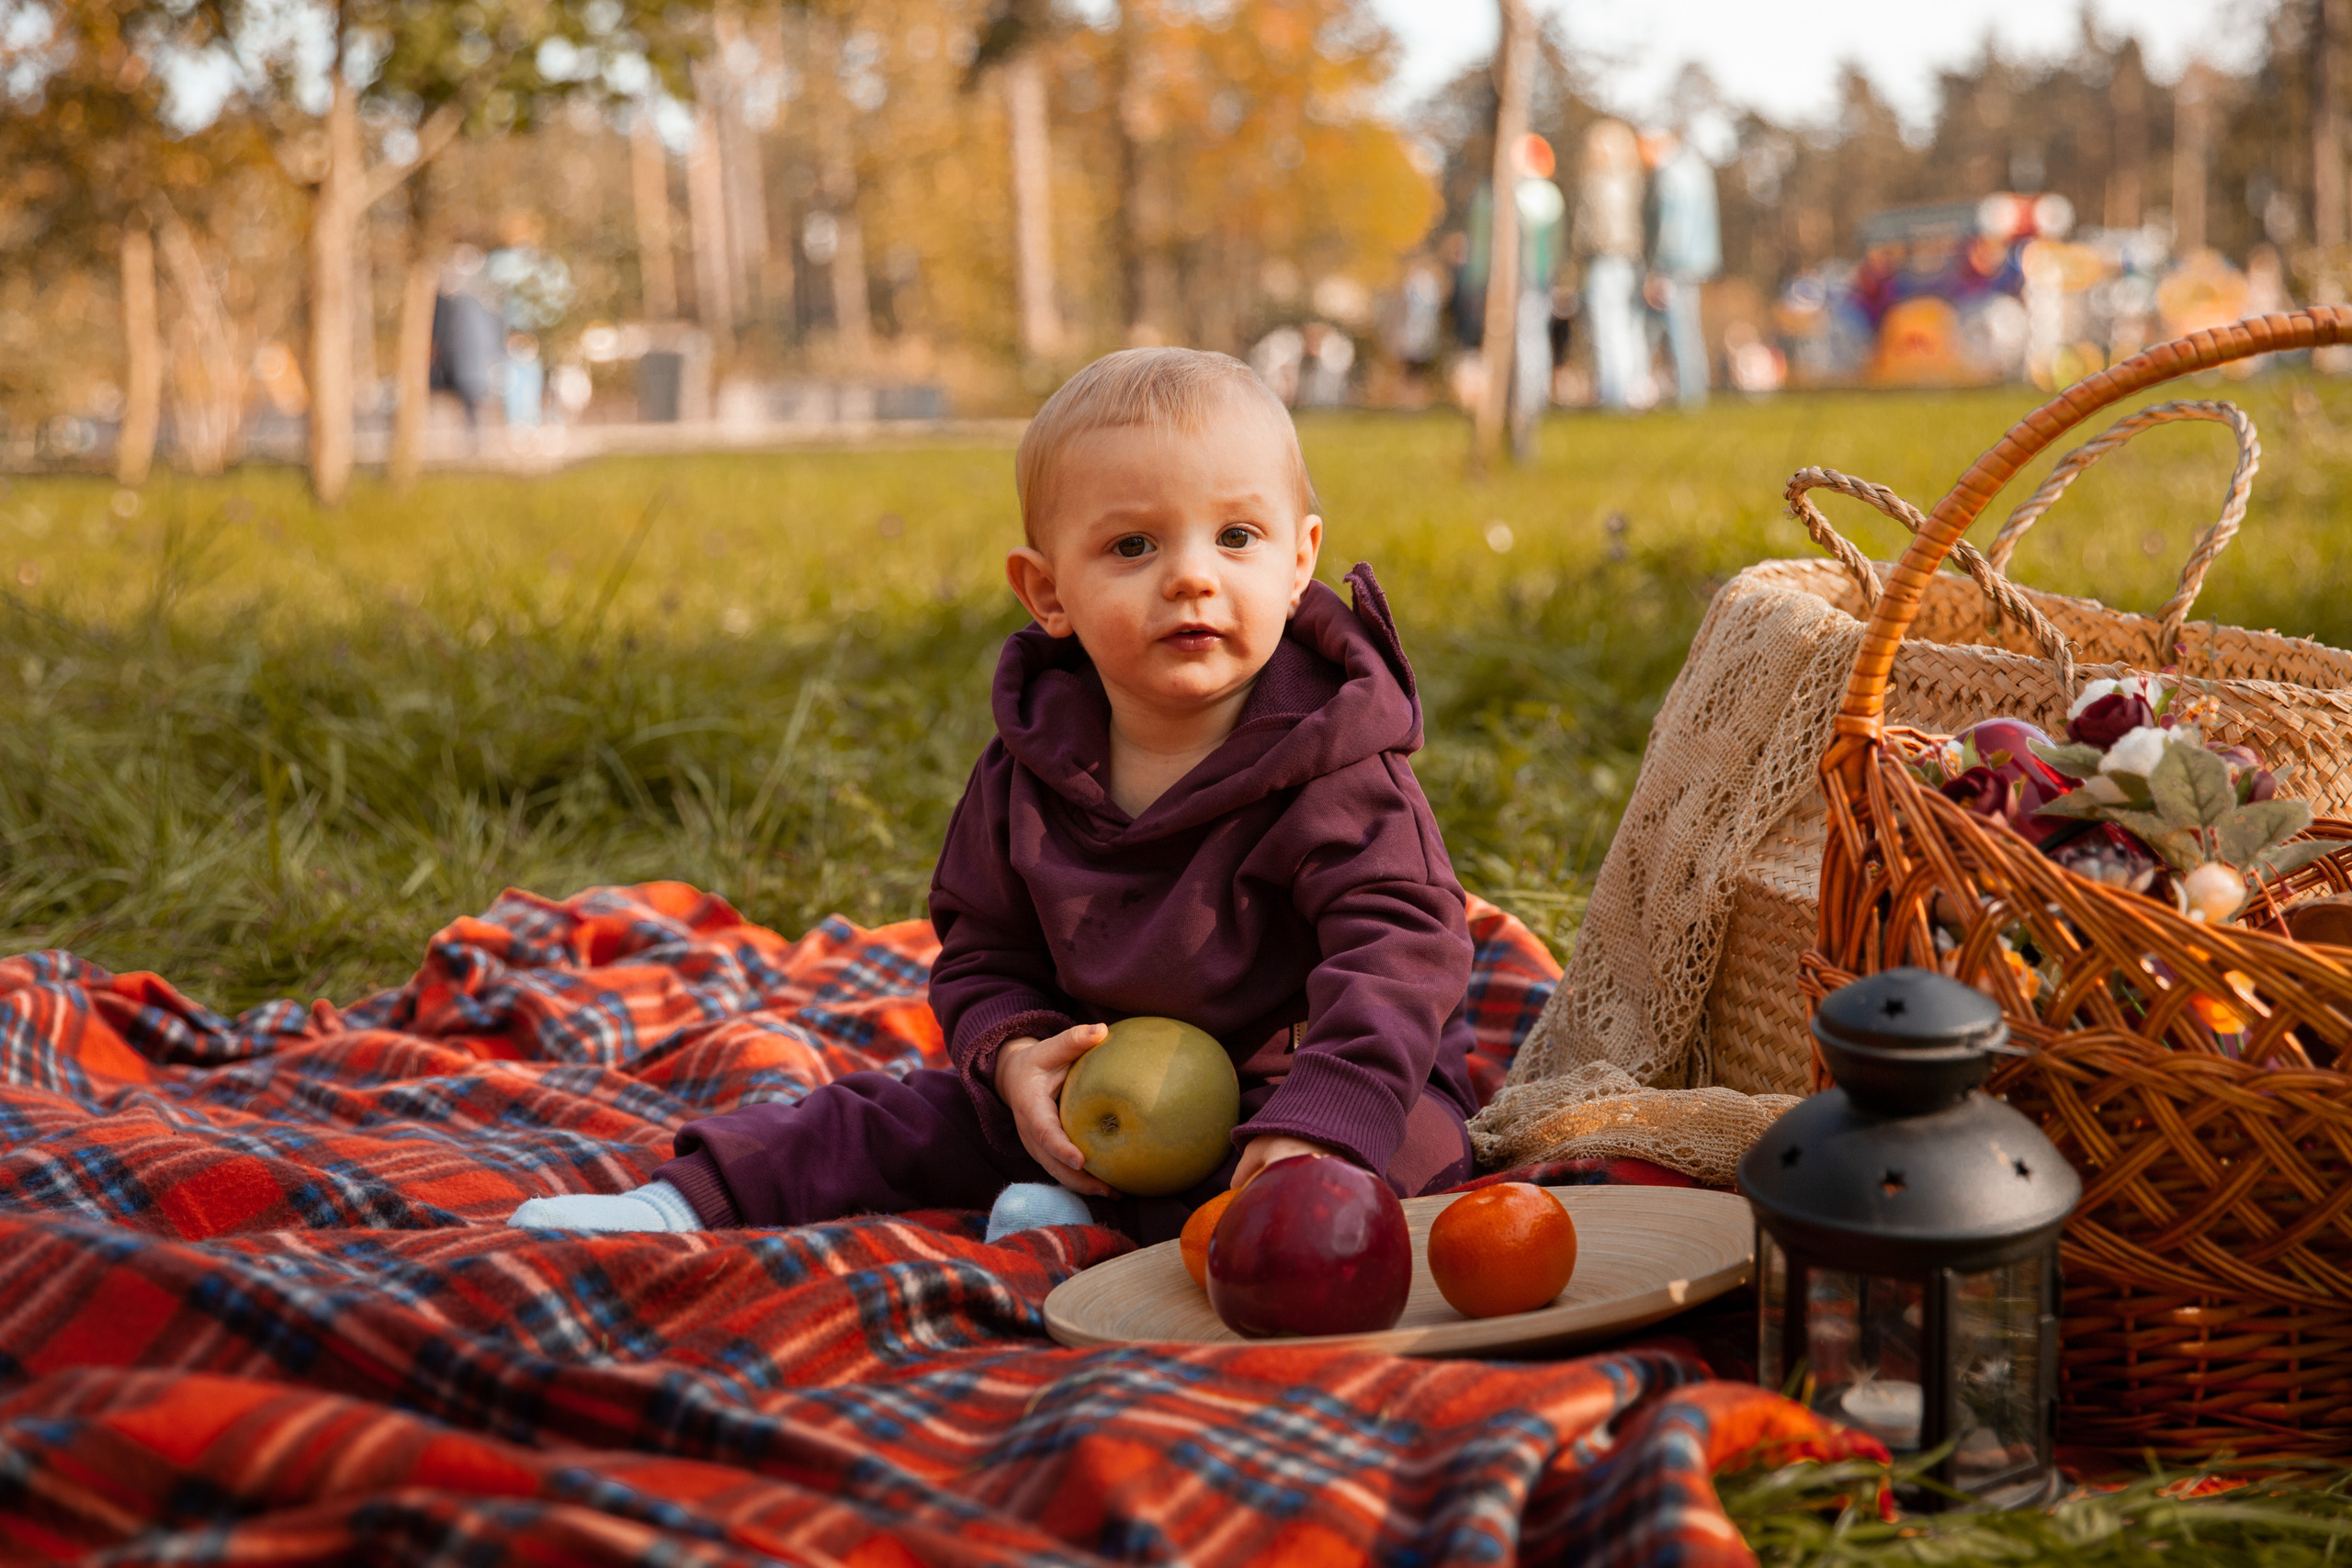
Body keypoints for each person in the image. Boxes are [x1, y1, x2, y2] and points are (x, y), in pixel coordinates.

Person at [511, 348, 1481, 1247]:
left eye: (1236, 537)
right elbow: (986, 950)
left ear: (1300, 558)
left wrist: (1321, 1121)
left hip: (1313, 1077)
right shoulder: (1032, 766)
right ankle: (677, 1204)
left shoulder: (1337, 764)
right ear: (1047, 593)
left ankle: (1105, 1229)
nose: (1191, 575)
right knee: (878, 1117)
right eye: (1133, 546)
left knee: (1413, 1166)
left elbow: (1400, 955)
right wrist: (1017, 1058)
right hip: (1094, 1090)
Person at [1641, 129, 1721, 410]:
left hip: (1675, 264)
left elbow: (1671, 227)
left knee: (1678, 331)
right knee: (1688, 329)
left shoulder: (1670, 175)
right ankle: (1692, 392)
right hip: (1696, 262)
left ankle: (1689, 396)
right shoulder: (1697, 170)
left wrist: (1660, 267)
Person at [1571, 119, 1647, 411]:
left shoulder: (1595, 182)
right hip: (1632, 260)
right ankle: (1633, 392)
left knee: (1607, 328)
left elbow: (1585, 229)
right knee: (1630, 327)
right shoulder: (1636, 182)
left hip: (1604, 261)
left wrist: (1579, 254)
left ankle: (1613, 395)